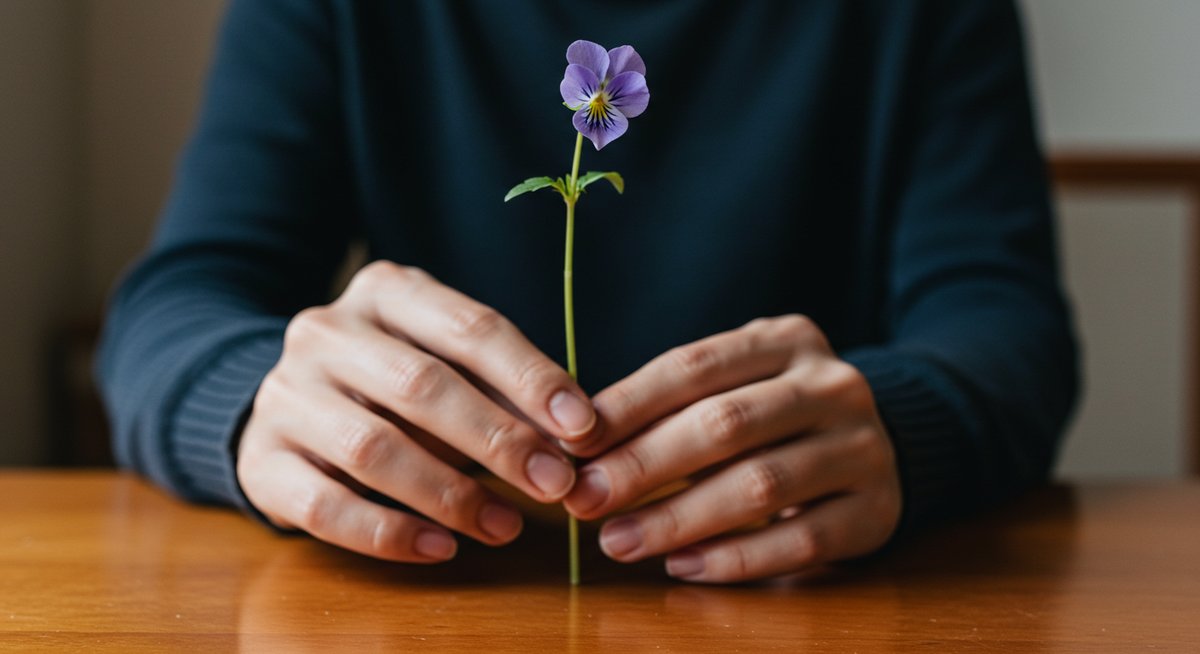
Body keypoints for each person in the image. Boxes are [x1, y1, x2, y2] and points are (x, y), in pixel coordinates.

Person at [96, 0, 1077, 583]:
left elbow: (1006, 325)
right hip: (456, 593)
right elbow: (178, 301)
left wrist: (902, 427)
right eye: (594, 97)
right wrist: (256, 401)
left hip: (799, 593)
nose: (599, 106)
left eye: (605, 100)